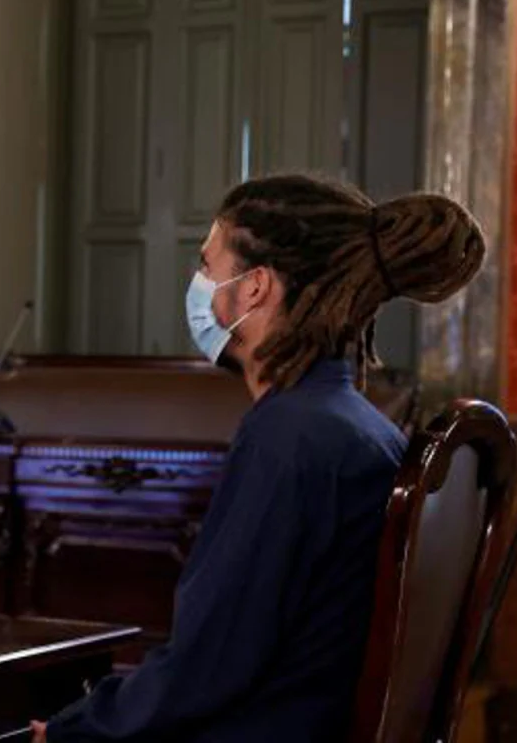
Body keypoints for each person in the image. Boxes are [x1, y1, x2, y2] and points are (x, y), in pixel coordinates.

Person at [31, 174, 486, 742]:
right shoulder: (360, 428)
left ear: (254, 288)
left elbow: (207, 664)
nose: (198, 285)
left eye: (207, 266)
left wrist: (73, 731)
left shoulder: (289, 438)